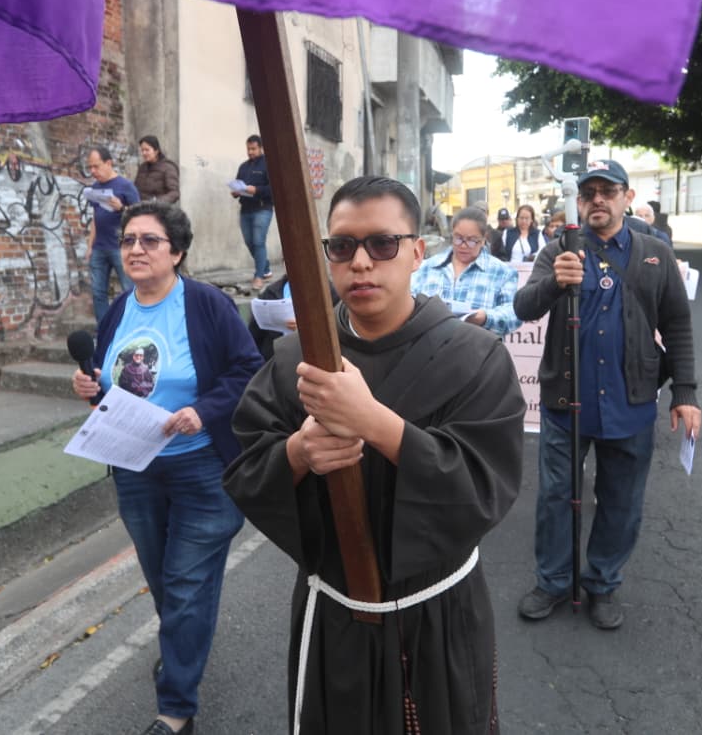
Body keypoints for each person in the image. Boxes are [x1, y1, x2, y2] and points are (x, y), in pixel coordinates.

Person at [225, 176, 525, 734]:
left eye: (382, 244)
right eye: (342, 246)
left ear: (416, 253)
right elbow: (246, 466)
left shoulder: (475, 358)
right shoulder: (296, 358)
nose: (360, 262)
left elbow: (485, 487)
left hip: (436, 614)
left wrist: (378, 426)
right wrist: (296, 453)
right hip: (335, 609)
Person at [70, 201, 262, 735]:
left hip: (201, 470)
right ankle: (184, 646)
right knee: (163, 580)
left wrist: (204, 411)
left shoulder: (206, 305)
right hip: (135, 469)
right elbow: (113, 383)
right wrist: (90, 387)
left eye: (149, 240)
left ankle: (175, 708)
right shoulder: (117, 310)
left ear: (176, 251)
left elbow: (249, 367)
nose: (135, 249)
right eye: (129, 239)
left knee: (184, 582)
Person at [514, 158, 700, 630]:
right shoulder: (558, 250)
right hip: (564, 404)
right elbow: (523, 306)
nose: (598, 199)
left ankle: (602, 582)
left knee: (621, 499)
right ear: (578, 202)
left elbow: (677, 323)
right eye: (589, 192)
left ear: (626, 197)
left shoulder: (655, 253)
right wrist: (557, 281)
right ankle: (553, 581)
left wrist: (686, 392)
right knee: (556, 496)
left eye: (608, 190)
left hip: (631, 403)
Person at [410, 206, 522, 336]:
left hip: (478, 352)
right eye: (458, 238)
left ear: (483, 239)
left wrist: (485, 317)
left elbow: (514, 314)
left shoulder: (503, 273)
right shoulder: (427, 268)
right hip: (429, 350)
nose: (463, 245)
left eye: (471, 240)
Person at [85, 145, 140, 322]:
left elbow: (140, 215)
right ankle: (104, 331)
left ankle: (130, 326)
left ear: (109, 163)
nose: (93, 171)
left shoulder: (125, 186)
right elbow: (96, 217)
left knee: (128, 290)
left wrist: (122, 208)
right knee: (98, 292)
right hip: (99, 248)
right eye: (90, 167)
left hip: (120, 247)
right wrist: (90, 245)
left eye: (96, 166)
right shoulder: (94, 187)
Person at [246, 273, 341, 362]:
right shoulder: (271, 291)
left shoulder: (329, 291)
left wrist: (308, 329)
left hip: (315, 358)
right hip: (277, 359)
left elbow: (339, 329)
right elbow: (254, 335)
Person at [232, 134, 274, 289]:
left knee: (258, 242)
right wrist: (236, 191)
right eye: (248, 149)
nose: (250, 152)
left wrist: (255, 190)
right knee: (250, 243)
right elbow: (238, 184)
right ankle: (266, 268)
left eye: (253, 149)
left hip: (262, 209)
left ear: (261, 148)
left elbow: (273, 189)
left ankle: (259, 276)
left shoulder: (268, 164)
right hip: (246, 209)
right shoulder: (243, 167)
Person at [135, 135, 180, 205]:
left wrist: (156, 202)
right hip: (142, 209)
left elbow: (174, 193)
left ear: (156, 151)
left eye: (147, 150)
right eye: (142, 150)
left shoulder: (168, 167)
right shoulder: (142, 168)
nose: (144, 153)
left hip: (160, 210)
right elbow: (136, 189)